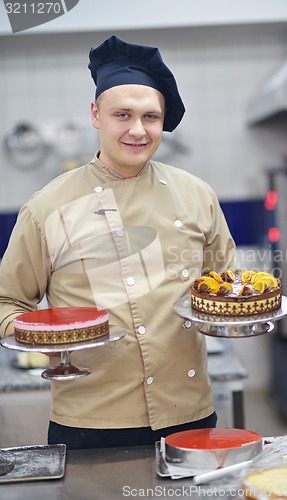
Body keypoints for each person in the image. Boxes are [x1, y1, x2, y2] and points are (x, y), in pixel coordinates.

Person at [0, 35, 236, 449]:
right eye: (122, 115)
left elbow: (225, 287)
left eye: (150, 117)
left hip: (190, 414)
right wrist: (48, 340)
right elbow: (7, 303)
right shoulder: (47, 207)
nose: (137, 130)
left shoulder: (197, 194)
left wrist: (236, 316)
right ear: (96, 114)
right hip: (91, 421)